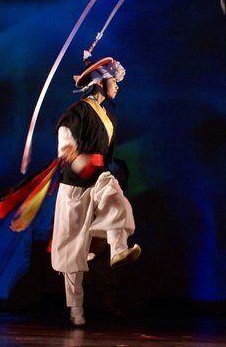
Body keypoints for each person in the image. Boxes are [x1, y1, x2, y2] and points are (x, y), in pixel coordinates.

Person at [50, 56, 140, 326]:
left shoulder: (109, 117)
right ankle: (75, 309)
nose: (118, 86)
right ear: (100, 83)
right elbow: (65, 137)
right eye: (115, 81)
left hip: (98, 176)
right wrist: (76, 159)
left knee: (116, 198)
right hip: (75, 184)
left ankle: (118, 249)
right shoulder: (79, 110)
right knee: (72, 252)